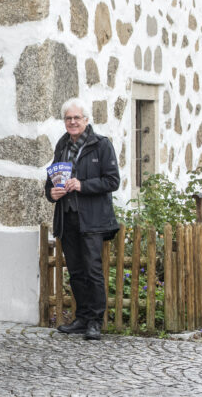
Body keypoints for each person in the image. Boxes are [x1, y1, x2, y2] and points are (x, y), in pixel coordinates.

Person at [45, 98, 120, 341]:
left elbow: (112, 181)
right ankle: (82, 318)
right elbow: (52, 180)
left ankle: (95, 322)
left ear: (86, 120)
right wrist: (51, 193)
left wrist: (82, 184)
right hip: (68, 218)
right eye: (68, 118)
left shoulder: (101, 145)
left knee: (92, 271)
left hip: (92, 220)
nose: (73, 122)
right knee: (76, 271)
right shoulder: (62, 145)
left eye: (77, 118)